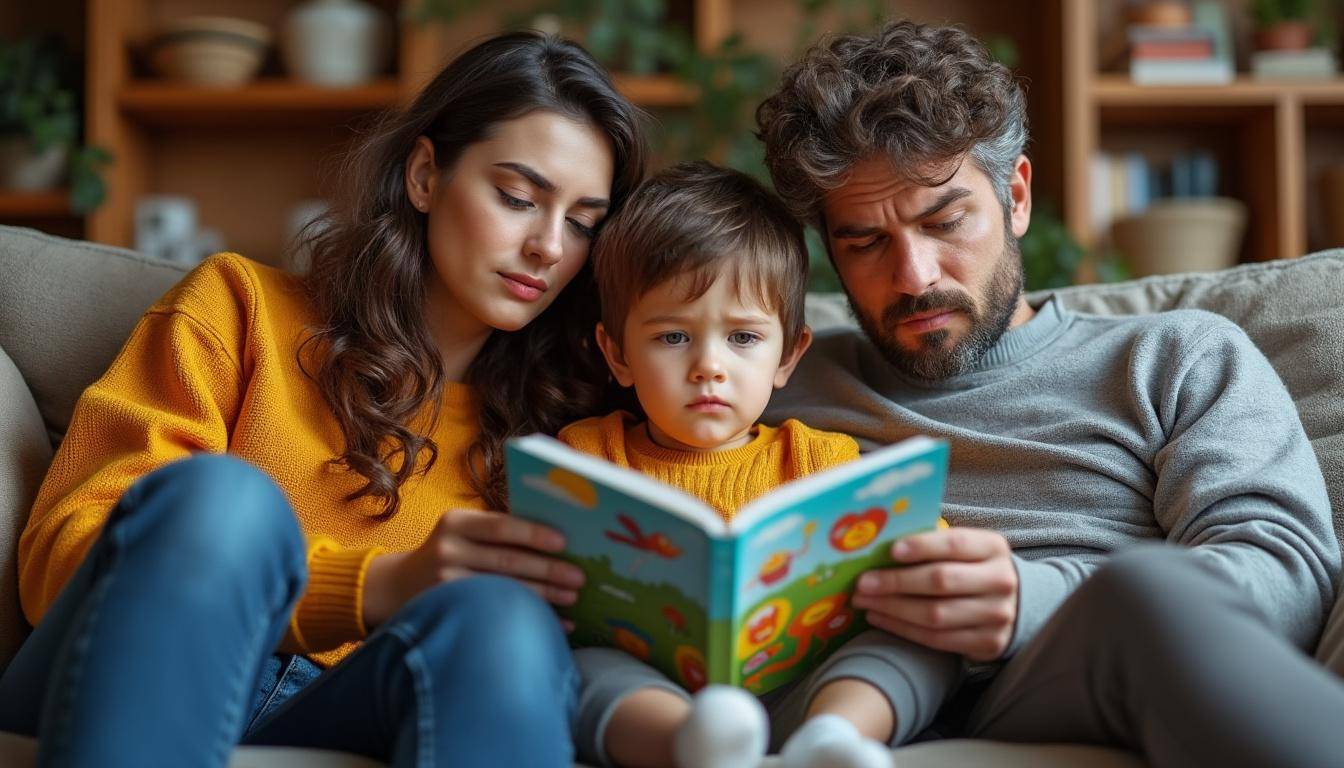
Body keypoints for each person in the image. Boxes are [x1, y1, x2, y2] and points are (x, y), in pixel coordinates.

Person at [0, 31, 646, 768]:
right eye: (518, 197)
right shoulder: (236, 307)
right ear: (426, 175)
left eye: (583, 224)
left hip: (348, 707)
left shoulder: (570, 427)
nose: (549, 247)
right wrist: (375, 584)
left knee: (503, 624)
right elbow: (61, 565)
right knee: (226, 505)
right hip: (131, 664)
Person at [754, 19, 1344, 767]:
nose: (915, 275)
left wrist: (1032, 600)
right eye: (864, 242)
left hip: (1077, 672)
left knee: (1149, 595)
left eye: (945, 220)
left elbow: (1284, 571)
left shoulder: (1172, 356)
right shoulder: (767, 377)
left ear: (1018, 197)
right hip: (842, 703)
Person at [559, 160, 935, 768]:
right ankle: (688, 745)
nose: (709, 366)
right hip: (654, 695)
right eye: (673, 337)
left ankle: (837, 738)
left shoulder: (817, 459)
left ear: (788, 356)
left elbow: (916, 546)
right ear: (617, 354)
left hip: (801, 693)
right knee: (579, 665)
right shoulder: (586, 458)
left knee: (912, 640)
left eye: (742, 338)